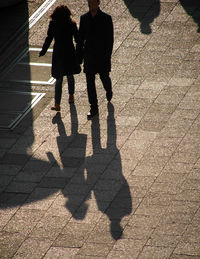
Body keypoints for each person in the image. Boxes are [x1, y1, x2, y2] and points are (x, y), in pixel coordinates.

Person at [39, 5, 81, 111]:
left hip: (58, 53)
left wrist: (43, 51)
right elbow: (77, 39)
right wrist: (80, 51)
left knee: (59, 78)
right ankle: (71, 96)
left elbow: (49, 38)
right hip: (70, 52)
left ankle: (57, 104)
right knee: (70, 75)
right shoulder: (72, 24)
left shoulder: (53, 24)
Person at [77, 0, 114, 119]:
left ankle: (108, 90)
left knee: (104, 78)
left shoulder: (106, 18)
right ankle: (93, 107)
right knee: (90, 83)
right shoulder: (84, 18)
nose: (91, 5)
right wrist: (79, 56)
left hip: (102, 56)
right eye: (89, 3)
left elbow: (110, 40)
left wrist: (107, 56)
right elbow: (80, 39)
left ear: (98, 3)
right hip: (89, 56)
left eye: (93, 2)